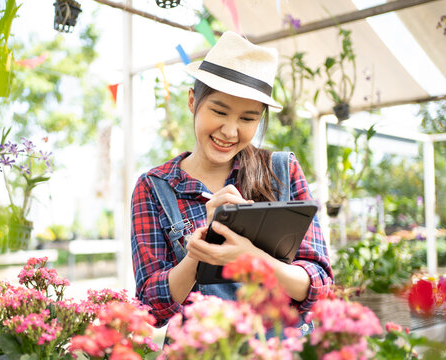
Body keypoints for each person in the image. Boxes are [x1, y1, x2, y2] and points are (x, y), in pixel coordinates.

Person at [130, 31, 333, 335]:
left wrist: (250, 255)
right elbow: (150, 308)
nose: (229, 130)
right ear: (192, 101)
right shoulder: (156, 187)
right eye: (219, 111)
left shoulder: (281, 171)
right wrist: (199, 253)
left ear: (261, 119)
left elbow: (320, 286)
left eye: (248, 119)